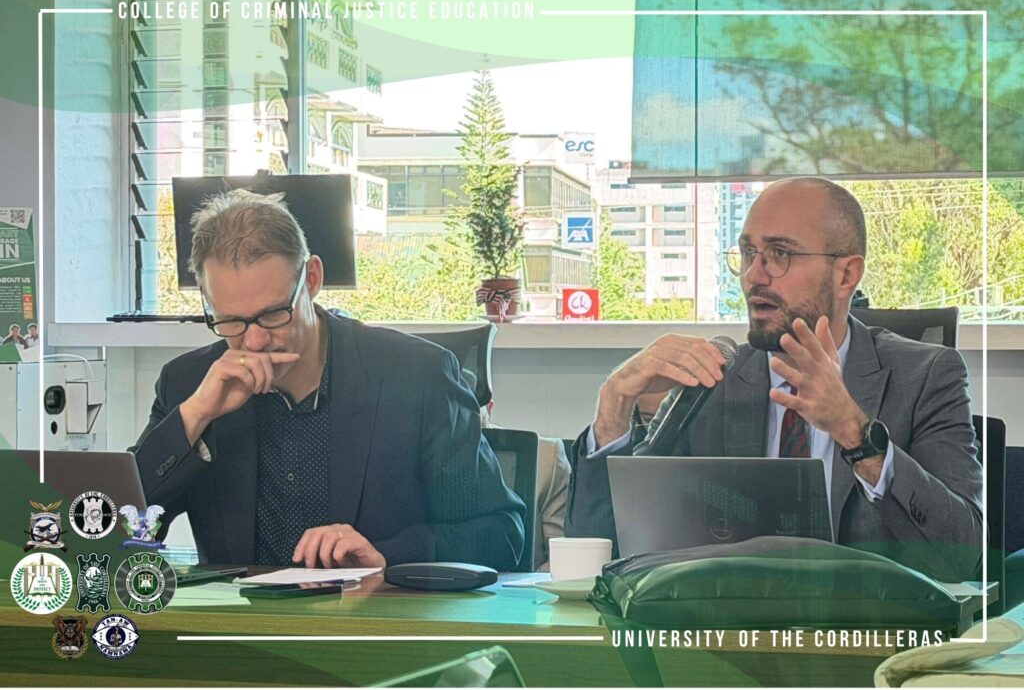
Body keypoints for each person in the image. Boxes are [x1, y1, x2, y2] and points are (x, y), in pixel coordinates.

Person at [565, 177, 983, 582]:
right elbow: (605, 550)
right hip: (727, 623)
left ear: (846, 275)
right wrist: (614, 406)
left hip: (867, 625)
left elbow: (962, 558)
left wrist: (855, 434)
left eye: (780, 253)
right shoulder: (713, 381)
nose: (754, 275)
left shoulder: (926, 376)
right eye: (748, 252)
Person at [131, 189, 525, 570]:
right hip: (240, 614)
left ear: (312, 279)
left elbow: (502, 535)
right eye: (231, 321)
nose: (254, 341)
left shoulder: (417, 376)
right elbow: (112, 532)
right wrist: (194, 417)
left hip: (371, 611)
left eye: (273, 314)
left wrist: (387, 557)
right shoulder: (188, 384)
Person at [479, 399, 571, 571]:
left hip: (521, 585)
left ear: (489, 409)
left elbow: (562, 558)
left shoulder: (545, 456)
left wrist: (525, 584)